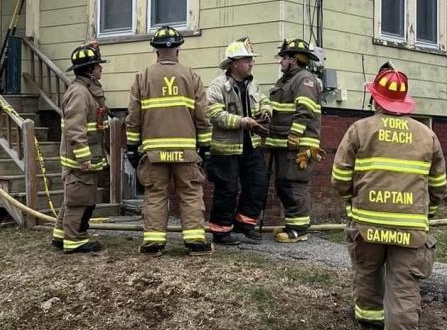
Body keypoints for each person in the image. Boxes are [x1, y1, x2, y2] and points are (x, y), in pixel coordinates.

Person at [332, 63, 447, 330]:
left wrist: (351, 204)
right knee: (404, 281)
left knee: (368, 269)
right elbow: (438, 185)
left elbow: (340, 177)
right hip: (410, 227)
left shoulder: (359, 130)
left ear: (376, 99)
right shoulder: (427, 135)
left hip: (368, 222)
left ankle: (369, 316)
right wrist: (428, 213)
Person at [125, 25, 214, 255]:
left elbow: (133, 118)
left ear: (155, 52)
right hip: (186, 151)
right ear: (178, 50)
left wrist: (132, 148)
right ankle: (195, 242)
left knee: (155, 194)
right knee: (191, 193)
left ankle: (153, 243)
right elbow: (202, 116)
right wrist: (205, 147)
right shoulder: (191, 76)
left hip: (154, 153)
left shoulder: (142, 77)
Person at [205, 37, 270, 245]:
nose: (252, 63)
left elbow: (264, 101)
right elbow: (215, 115)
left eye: (251, 60)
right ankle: (221, 231)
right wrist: (243, 122)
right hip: (225, 150)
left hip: (251, 146)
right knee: (227, 190)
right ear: (234, 63)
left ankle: (245, 223)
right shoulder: (218, 86)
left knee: (257, 184)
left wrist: (266, 111)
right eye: (247, 60)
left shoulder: (253, 84)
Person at [51, 42, 109, 254]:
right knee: (78, 200)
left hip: (87, 155)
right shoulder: (79, 93)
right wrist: (84, 157)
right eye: (97, 65)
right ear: (90, 71)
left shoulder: (85, 90)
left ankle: (60, 236)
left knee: (73, 198)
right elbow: (75, 128)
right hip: (80, 159)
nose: (101, 69)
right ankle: (74, 240)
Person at [266, 38, 323, 243]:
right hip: (284, 143)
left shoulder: (304, 80)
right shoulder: (287, 80)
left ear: (294, 59)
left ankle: (299, 230)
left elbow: (304, 110)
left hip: (298, 144)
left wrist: (295, 135)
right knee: (284, 184)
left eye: (284, 57)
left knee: (294, 185)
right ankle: (292, 223)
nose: (280, 61)